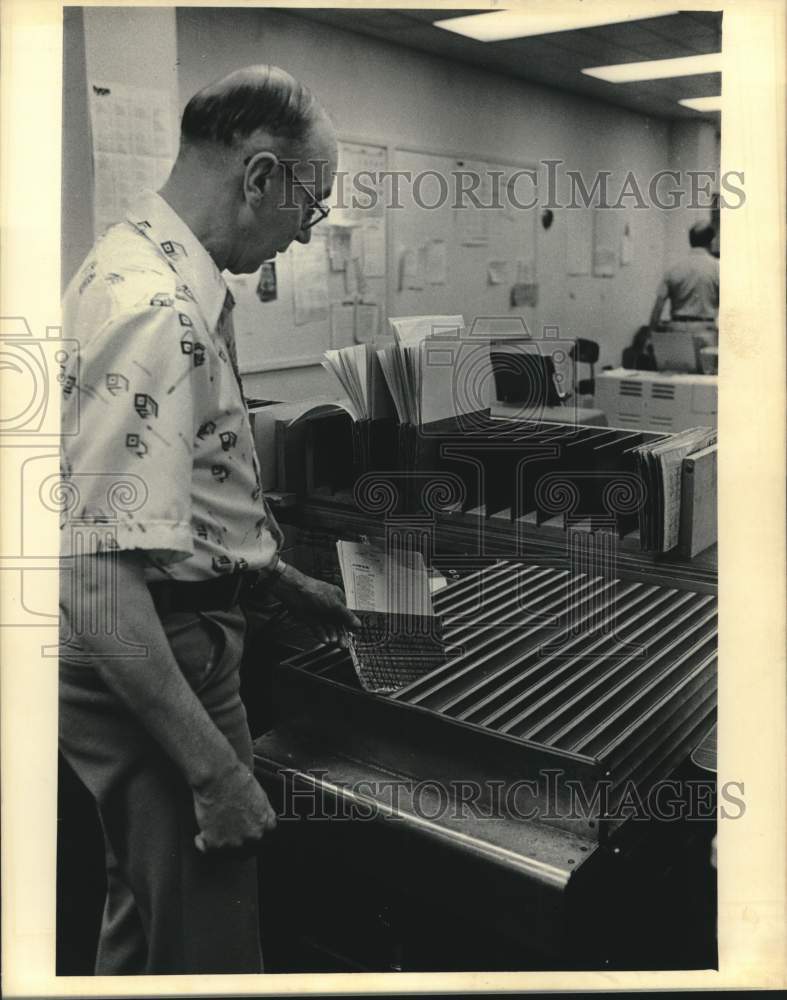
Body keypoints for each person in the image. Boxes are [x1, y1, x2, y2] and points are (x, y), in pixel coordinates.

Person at [59, 65, 360, 975]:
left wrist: (272, 576)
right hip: (161, 652)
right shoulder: (157, 312)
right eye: (310, 203)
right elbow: (95, 582)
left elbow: (172, 492)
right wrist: (218, 773)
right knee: (213, 951)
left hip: (166, 631)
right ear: (261, 176)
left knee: (146, 918)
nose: (307, 231)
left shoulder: (138, 261)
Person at [648, 221, 719, 332]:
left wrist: (650, 336)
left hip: (677, 329)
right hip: (705, 329)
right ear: (712, 242)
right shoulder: (717, 268)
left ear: (690, 241)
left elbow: (658, 307)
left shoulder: (674, 268)